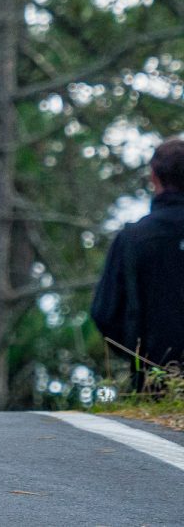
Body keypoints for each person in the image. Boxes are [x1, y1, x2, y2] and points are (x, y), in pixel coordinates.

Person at [90, 136, 184, 390]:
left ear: (154, 177)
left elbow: (104, 313)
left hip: (155, 384)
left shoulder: (133, 239)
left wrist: (140, 356)